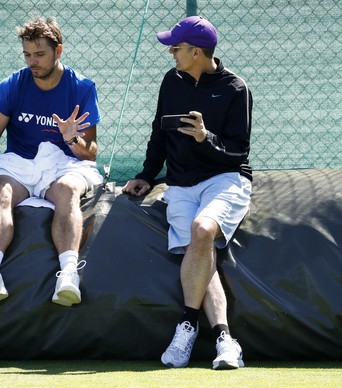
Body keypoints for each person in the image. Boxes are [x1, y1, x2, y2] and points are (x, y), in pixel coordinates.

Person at [123, 16, 253, 370]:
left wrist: (204, 138)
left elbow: (239, 151)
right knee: (200, 252)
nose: (171, 52)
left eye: (176, 47)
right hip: (180, 185)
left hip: (225, 179)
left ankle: (187, 323)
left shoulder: (236, 89)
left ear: (196, 51)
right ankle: (226, 340)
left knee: (202, 230)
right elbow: (158, 133)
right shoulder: (171, 80)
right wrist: (146, 176)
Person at [0, 17, 102, 306]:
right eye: (27, 55)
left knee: (68, 191)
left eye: (39, 55)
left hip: (64, 164)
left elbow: (91, 153)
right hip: (20, 164)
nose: (32, 62)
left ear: (58, 51)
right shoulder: (13, 84)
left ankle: (68, 274)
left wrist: (71, 139)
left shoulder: (82, 88)